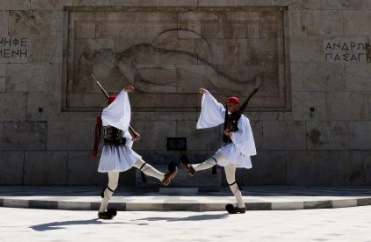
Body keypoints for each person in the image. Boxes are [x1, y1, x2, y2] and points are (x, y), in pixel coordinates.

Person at [93, 85, 177, 220]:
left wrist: (132, 138)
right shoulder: (107, 115)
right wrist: (124, 91)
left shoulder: (117, 118)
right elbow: (116, 121)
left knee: (140, 163)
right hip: (112, 152)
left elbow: (124, 136)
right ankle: (102, 210)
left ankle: (163, 177)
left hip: (120, 149)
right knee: (113, 184)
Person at [180, 88, 257, 214]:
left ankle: (193, 168)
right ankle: (241, 205)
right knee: (231, 179)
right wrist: (207, 94)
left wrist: (231, 134)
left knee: (215, 158)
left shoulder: (243, 119)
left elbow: (245, 137)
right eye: (228, 105)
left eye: (231, 105)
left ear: (237, 105)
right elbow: (217, 108)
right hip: (231, 150)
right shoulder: (229, 115)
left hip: (234, 149)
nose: (229, 107)